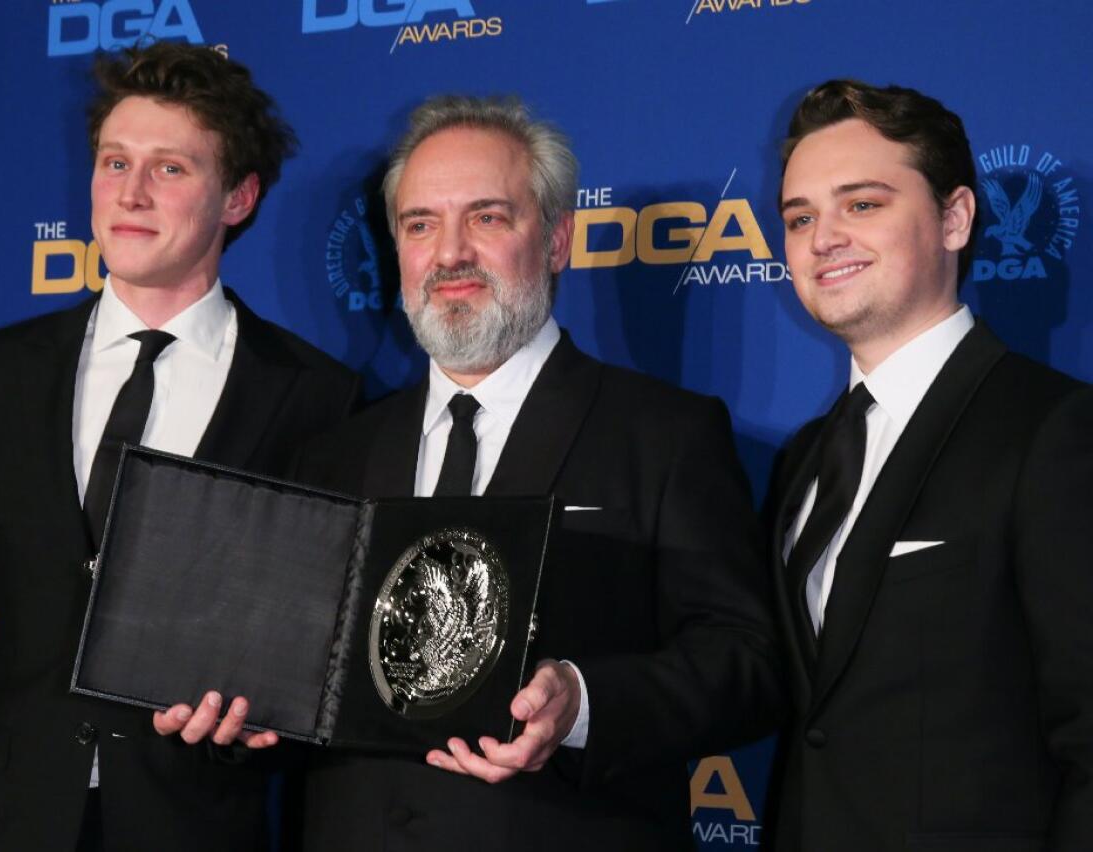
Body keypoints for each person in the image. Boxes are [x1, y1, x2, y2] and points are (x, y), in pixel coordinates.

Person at [0, 42, 358, 852]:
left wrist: (265, 727)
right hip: (6, 820)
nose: (130, 194)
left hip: (199, 823)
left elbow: (321, 657)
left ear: (239, 197)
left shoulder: (317, 396)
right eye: (114, 162)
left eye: (170, 168)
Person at [288, 95, 782, 850]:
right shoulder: (333, 454)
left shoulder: (665, 435)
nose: (449, 253)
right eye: (421, 224)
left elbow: (745, 663)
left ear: (556, 240)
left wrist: (584, 703)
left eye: (487, 217)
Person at [768, 79, 1093, 850]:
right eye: (800, 217)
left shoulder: (1054, 430)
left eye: (863, 204)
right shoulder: (805, 461)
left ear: (954, 218)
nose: (823, 238)